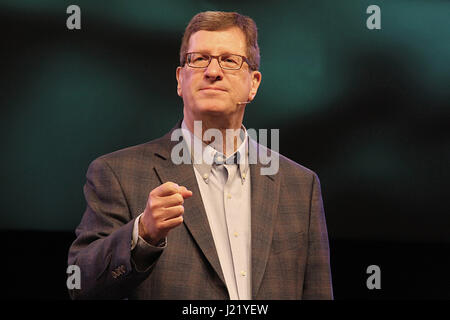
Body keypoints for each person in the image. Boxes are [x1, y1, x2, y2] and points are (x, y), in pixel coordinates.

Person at [68, 11, 333, 300]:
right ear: (180, 79)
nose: (213, 71)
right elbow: (80, 285)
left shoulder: (300, 185)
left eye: (230, 60)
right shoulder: (116, 173)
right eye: (199, 59)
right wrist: (142, 235)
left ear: (253, 83)